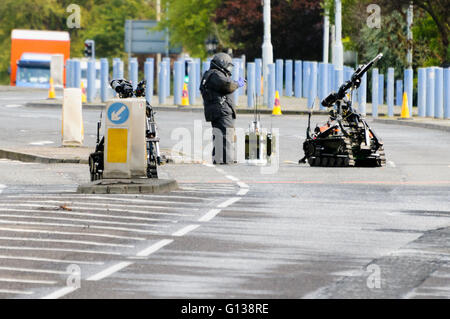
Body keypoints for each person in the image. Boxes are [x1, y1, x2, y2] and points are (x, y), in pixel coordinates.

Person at [200, 53, 246, 164]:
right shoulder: (216, 75)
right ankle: (225, 160)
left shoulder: (210, 74)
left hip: (217, 110)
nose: (229, 69)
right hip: (222, 110)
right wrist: (237, 83)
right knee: (226, 135)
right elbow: (228, 86)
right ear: (221, 64)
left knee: (220, 135)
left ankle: (219, 158)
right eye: (228, 66)